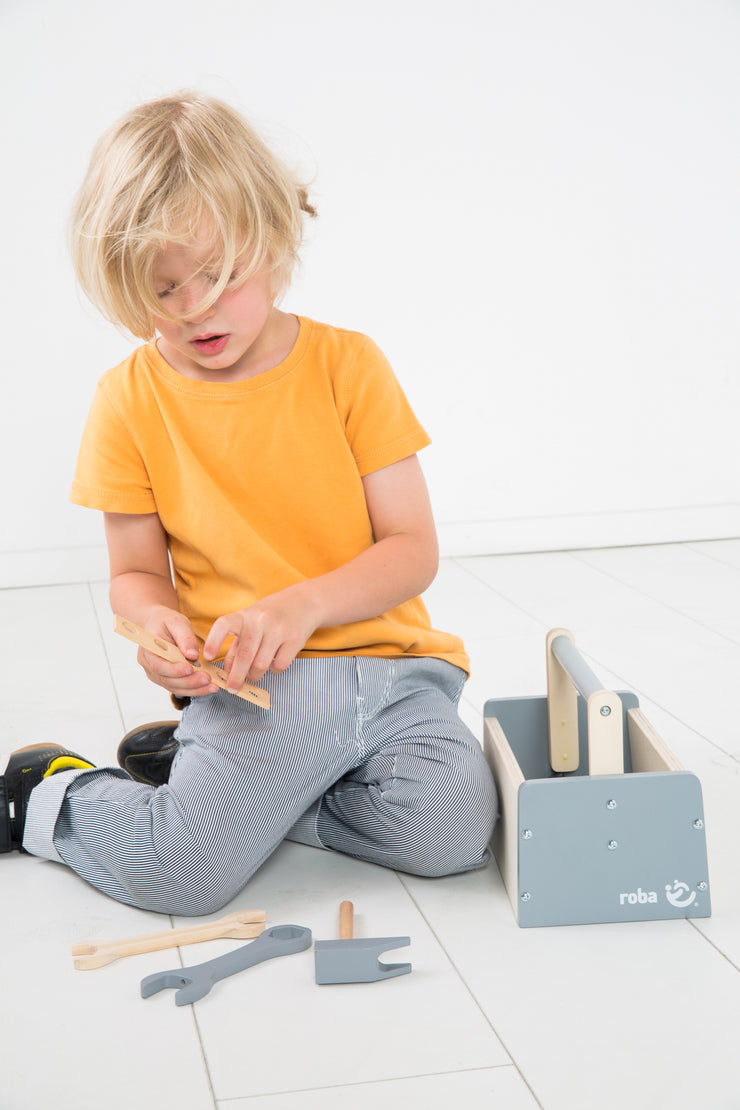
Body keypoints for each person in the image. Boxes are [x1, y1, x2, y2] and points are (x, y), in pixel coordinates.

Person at [0, 91, 497, 913]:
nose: (196, 308)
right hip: (258, 686)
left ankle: (236, 800)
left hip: (399, 675)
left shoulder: (348, 365)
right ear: (125, 285)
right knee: (182, 880)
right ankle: (51, 794)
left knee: (451, 838)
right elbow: (133, 572)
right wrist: (156, 627)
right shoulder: (129, 399)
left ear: (272, 240)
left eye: (221, 277)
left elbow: (412, 549)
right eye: (164, 290)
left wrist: (301, 607)